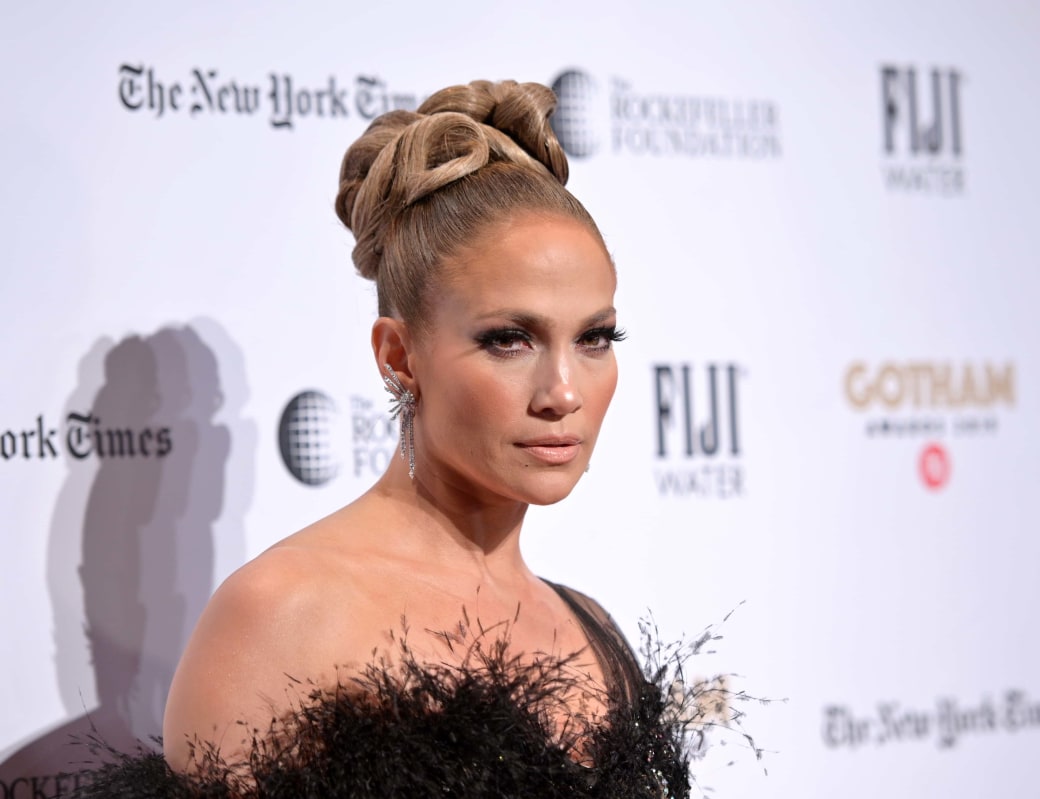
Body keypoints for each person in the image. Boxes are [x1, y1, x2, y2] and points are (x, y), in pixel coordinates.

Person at [78, 80, 694, 797]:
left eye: (594, 338)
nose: (563, 392)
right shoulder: (284, 616)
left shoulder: (594, 634)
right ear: (399, 357)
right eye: (509, 339)